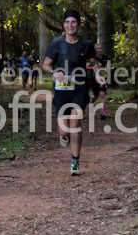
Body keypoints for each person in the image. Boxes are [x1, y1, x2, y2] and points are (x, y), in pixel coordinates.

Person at [42, 10, 104, 175]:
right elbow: (45, 65)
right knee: (64, 129)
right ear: (63, 25)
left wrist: (98, 76)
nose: (70, 25)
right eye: (67, 22)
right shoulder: (56, 43)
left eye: (74, 22)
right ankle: (64, 136)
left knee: (75, 123)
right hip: (61, 89)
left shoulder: (86, 44)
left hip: (79, 88)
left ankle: (75, 161)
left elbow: (93, 63)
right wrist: (54, 73)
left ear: (78, 24)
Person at [88, 43, 109, 120]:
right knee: (96, 96)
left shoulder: (105, 57)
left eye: (100, 48)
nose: (99, 50)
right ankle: (90, 103)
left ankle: (103, 113)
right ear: (95, 50)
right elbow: (86, 66)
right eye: (97, 49)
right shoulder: (93, 58)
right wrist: (93, 67)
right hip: (95, 79)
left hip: (103, 78)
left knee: (102, 95)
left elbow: (107, 67)